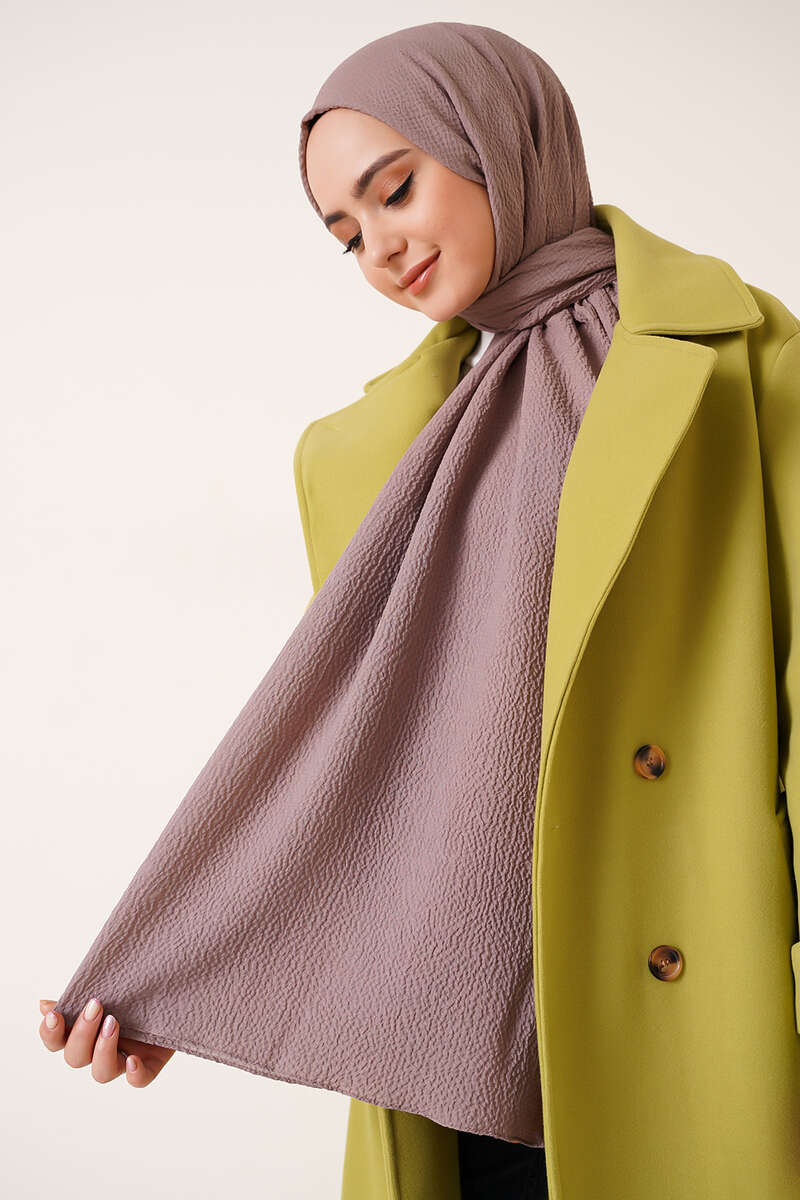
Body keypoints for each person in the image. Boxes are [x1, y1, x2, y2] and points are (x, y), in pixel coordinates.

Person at [40, 20, 800, 1200]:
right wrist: (191, 986)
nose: (380, 249)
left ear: (500, 137)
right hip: (454, 1054)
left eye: (394, 190)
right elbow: (365, 775)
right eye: (346, 234)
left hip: (680, 1019)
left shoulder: (749, 368)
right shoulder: (367, 453)